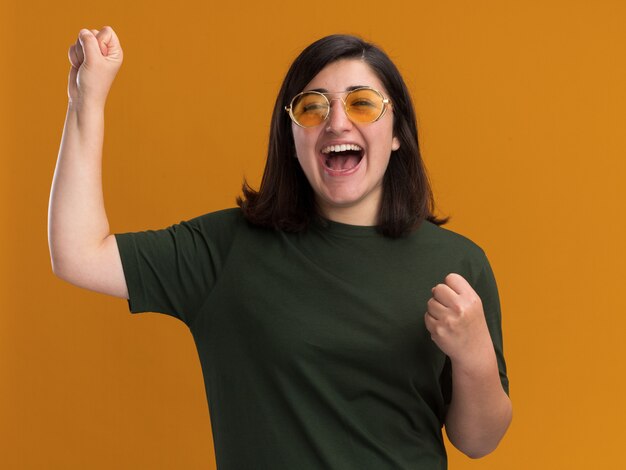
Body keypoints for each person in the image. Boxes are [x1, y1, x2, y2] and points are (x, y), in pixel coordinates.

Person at [48, 26, 512, 469]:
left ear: (395, 134)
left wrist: (475, 355)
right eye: (312, 107)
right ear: (291, 137)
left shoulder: (458, 264)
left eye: (363, 104)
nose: (336, 122)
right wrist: (86, 100)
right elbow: (78, 253)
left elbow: (478, 441)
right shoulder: (226, 250)